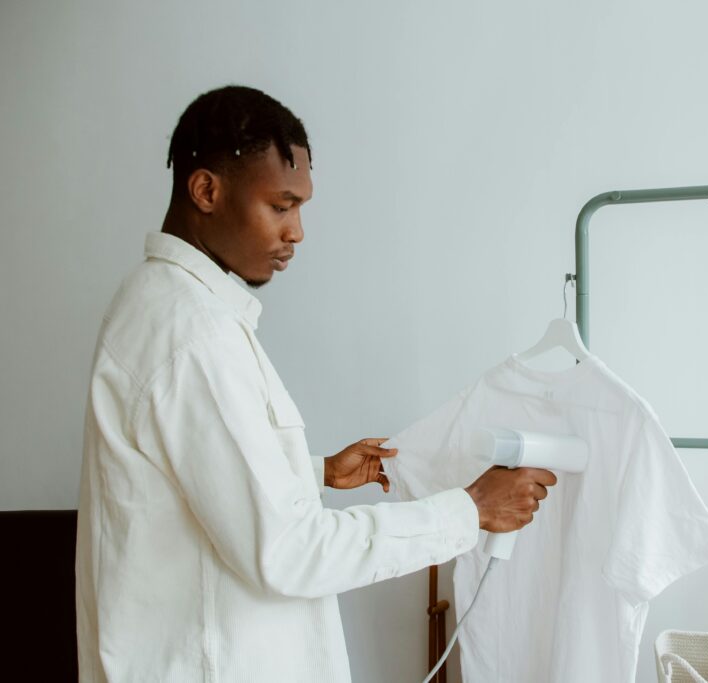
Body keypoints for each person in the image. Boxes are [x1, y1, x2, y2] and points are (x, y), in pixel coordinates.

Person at [75, 85, 557, 683]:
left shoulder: (171, 310)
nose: (297, 231)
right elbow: (289, 550)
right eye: (281, 206)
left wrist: (315, 471)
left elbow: (192, 478)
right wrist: (470, 511)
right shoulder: (191, 335)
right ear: (206, 191)